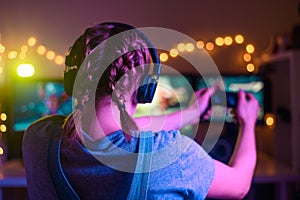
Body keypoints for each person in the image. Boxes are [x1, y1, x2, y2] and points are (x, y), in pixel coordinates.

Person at [22, 22, 259, 200]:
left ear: (73, 77)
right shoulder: (173, 155)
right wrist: (247, 123)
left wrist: (190, 113)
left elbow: (123, 132)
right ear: (145, 89)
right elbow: (240, 185)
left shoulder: (38, 139)